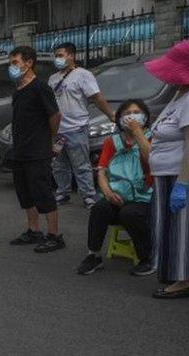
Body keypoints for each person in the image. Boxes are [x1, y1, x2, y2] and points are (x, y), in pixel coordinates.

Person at [76, 100, 155, 276]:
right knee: (99, 208)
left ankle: (147, 258)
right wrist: (107, 192)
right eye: (127, 113)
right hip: (117, 195)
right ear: (119, 119)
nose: (132, 116)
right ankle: (93, 256)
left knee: (130, 213)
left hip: (144, 197)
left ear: (145, 117)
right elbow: (102, 171)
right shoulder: (112, 142)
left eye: (136, 112)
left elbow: (152, 159)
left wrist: (137, 133)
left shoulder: (151, 137)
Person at [7, 46, 66, 253]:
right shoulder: (18, 88)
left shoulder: (40, 88)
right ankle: (34, 230)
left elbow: (55, 116)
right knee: (25, 193)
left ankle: (54, 235)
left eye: (15, 62)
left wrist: (50, 140)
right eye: (11, 63)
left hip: (37, 151)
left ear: (29, 62)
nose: (12, 67)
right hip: (20, 151)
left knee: (42, 192)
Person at [145, 40, 189, 298]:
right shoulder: (179, 95)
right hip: (164, 175)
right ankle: (174, 272)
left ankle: (183, 280)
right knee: (168, 228)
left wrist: (183, 184)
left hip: (178, 176)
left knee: (180, 230)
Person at [49, 42, 115, 207]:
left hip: (76, 129)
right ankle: (62, 192)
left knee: (81, 165)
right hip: (58, 132)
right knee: (58, 164)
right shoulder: (52, 78)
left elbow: (96, 98)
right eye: (56, 56)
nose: (57, 59)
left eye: (61, 55)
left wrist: (110, 114)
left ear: (71, 56)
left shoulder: (83, 75)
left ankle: (88, 196)